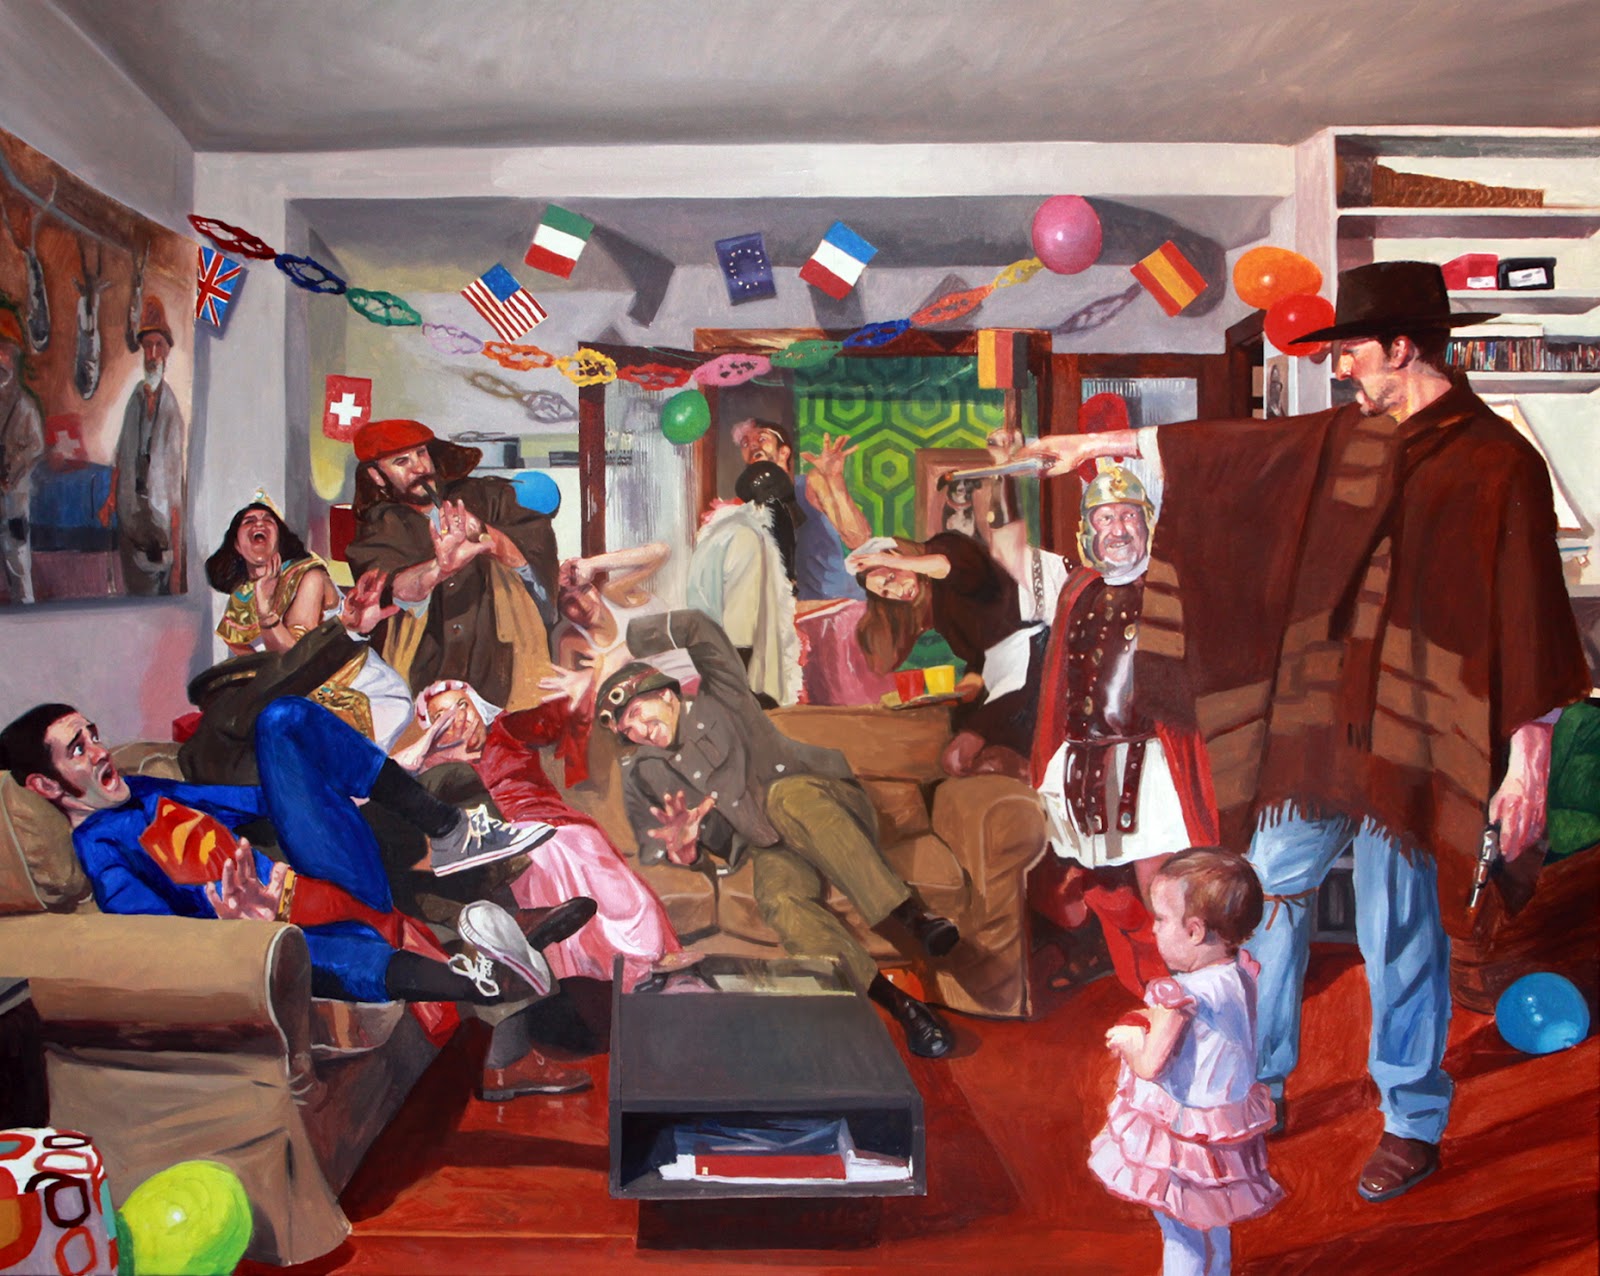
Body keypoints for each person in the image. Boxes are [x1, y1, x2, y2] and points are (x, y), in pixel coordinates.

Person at [1023, 261, 1590, 1202]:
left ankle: (1410, 1116)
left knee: (1397, 921)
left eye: (1355, 351)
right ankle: (1263, 1079)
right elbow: (1241, 457)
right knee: (1262, 895)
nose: (1343, 368)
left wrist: (1527, 761)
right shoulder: (1351, 436)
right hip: (1319, 727)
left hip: (1415, 735)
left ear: (1401, 349)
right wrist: (1095, 445)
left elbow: (1533, 619)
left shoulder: (1498, 464)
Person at [0, 696, 563, 1022]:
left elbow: (263, 800)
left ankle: (449, 828)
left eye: (93, 735)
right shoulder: (99, 851)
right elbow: (158, 940)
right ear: (45, 786)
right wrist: (233, 928)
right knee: (288, 953)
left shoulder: (145, 789)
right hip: (281, 930)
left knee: (282, 720)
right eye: (78, 749)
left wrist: (360, 779)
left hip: (330, 880)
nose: (100, 751)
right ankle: (485, 981)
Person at [598, 608, 961, 1058]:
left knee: (785, 797)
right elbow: (666, 844)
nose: (638, 731)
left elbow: (700, 628)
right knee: (778, 900)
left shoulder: (723, 698)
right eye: (628, 730)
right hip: (769, 843)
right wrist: (688, 852)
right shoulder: (647, 773)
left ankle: (914, 919)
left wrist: (627, 644)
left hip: (822, 804)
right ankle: (902, 1007)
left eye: (637, 712)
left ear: (666, 694)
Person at [1029, 461, 1220, 996]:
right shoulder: (1077, 590)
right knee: (1091, 881)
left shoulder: (1170, 587)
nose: (1118, 529)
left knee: (1160, 882)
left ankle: (1184, 986)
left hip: (1151, 761)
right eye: (1106, 518)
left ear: (1147, 523)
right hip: (1083, 760)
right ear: (1088, 530)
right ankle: (1146, 978)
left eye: (1129, 516)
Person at [399, 676, 681, 995]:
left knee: (577, 849)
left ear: (477, 705)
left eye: (462, 705)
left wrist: (581, 693)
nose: (458, 717)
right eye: (442, 716)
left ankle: (644, 958)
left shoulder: (506, 730)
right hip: (499, 849)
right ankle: (593, 978)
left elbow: (555, 718)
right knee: (541, 862)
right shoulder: (436, 766)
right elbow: (392, 786)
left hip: (557, 823)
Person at [1090, 850, 1282, 1276]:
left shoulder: (1178, 995)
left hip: (1183, 1130)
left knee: (1181, 1231)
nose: (1154, 929)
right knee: (1213, 1218)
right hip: (1223, 1125)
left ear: (1194, 931)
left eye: (1161, 919)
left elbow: (1151, 1065)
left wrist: (1129, 1041)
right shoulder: (1239, 975)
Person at [345, 418, 559, 709]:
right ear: (377, 476)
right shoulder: (381, 526)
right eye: (401, 461)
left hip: (505, 667)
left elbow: (537, 562)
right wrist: (440, 569)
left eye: (421, 453)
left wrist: (488, 536)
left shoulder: (488, 496)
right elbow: (395, 587)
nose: (419, 468)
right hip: (427, 675)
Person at [205, 497, 413, 750]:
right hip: (297, 694)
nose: (259, 523)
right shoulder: (241, 599)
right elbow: (250, 658)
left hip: (365, 691)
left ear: (279, 539)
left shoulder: (307, 576)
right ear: (237, 545)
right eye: (249, 521)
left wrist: (267, 614)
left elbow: (299, 659)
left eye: (268, 520)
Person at [848, 529, 1044, 779]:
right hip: (1005, 670)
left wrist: (888, 560)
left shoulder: (949, 548)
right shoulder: (936, 605)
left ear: (900, 556)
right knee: (955, 746)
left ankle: (1028, 770)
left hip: (1034, 655)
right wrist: (971, 682)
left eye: (891, 577)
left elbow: (946, 566)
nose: (897, 592)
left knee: (966, 749)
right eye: (886, 593)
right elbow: (980, 656)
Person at [684, 461, 803, 707]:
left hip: (714, 660)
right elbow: (740, 623)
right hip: (738, 681)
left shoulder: (722, 533)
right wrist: (743, 692)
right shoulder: (747, 539)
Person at [733, 419, 866, 602]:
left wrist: (834, 479)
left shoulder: (811, 483)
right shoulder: (748, 508)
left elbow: (858, 539)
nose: (753, 445)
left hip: (840, 601)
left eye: (762, 438)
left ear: (784, 452)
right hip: (796, 610)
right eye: (745, 443)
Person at [113, 297, 185, 596]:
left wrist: (178, 563)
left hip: (161, 539)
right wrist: (110, 500)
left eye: (158, 346)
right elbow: (121, 455)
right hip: (131, 533)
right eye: (147, 347)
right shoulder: (135, 400)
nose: (152, 354)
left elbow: (175, 488)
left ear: (167, 351)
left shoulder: (171, 411)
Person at [551, 540, 670, 690]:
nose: (584, 604)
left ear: (594, 588)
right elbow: (569, 692)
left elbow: (662, 551)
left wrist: (592, 564)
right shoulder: (571, 642)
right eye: (570, 602)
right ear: (561, 610)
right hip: (663, 691)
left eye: (584, 590)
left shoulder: (615, 593)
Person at [0, 308, 43, 604]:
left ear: (14, 357)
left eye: (4, 351)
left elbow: (36, 446)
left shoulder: (26, 406)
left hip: (15, 502)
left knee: (18, 568)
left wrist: (12, 470)